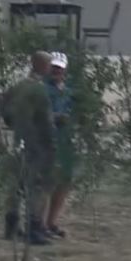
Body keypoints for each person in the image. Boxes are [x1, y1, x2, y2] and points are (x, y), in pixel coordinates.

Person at [0, 50, 57, 246]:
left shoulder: (18, 86)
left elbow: (3, 106)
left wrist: (12, 124)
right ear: (42, 66)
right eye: (49, 65)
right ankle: (34, 228)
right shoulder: (39, 90)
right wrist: (50, 144)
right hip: (35, 144)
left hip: (16, 141)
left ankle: (11, 226)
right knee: (36, 187)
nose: (51, 69)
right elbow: (47, 121)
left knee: (16, 185)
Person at [43, 51, 76, 238]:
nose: (56, 72)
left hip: (65, 140)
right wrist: (56, 117)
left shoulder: (69, 91)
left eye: (59, 69)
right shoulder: (43, 89)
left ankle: (52, 221)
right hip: (48, 139)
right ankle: (41, 223)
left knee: (64, 182)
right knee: (48, 182)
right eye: (53, 68)